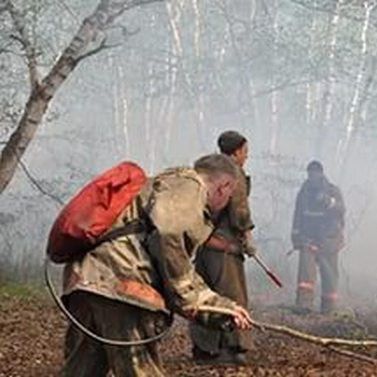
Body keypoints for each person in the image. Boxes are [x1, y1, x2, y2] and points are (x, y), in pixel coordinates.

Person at [60, 154, 252, 377]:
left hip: (89, 280)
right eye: (230, 194)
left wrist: (218, 308)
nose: (227, 201)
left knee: (82, 370)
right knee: (140, 370)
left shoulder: (162, 185)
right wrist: (212, 303)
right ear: (224, 186)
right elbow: (169, 238)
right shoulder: (190, 186)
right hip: (120, 283)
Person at [189, 131, 256, 365]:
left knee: (203, 294)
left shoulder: (205, 171)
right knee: (231, 295)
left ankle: (203, 348)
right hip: (225, 247)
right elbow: (239, 211)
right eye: (245, 152)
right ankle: (231, 348)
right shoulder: (232, 173)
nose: (246, 157)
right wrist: (247, 237)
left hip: (203, 243)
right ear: (237, 151)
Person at [291, 160, 345, 314]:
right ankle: (304, 306)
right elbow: (298, 216)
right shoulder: (304, 193)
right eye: (310, 174)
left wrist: (329, 202)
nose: (312, 177)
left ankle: (329, 308)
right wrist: (296, 238)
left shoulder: (333, 191)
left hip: (329, 239)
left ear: (321, 173)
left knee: (329, 275)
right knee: (305, 276)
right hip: (308, 239)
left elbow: (341, 210)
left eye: (315, 173)